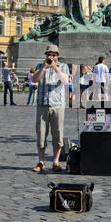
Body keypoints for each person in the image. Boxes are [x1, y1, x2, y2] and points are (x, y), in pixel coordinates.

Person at [31, 45, 69, 173]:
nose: (51, 57)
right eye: (49, 54)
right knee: (41, 134)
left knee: (57, 134)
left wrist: (54, 67)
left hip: (58, 105)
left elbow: (66, 81)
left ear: (57, 56)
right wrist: (43, 67)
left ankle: (55, 161)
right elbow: (34, 80)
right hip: (42, 104)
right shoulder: (39, 66)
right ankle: (41, 162)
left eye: (53, 54)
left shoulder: (63, 66)